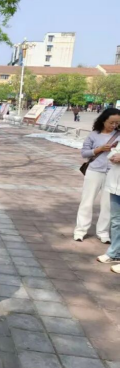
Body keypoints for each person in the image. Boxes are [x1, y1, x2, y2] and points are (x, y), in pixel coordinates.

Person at [74, 108, 120, 243]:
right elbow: (84, 153)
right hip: (94, 171)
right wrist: (99, 149)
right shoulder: (94, 135)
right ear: (103, 120)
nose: (114, 125)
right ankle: (80, 230)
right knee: (87, 202)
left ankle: (103, 232)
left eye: (117, 123)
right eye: (111, 122)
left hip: (113, 172)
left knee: (107, 205)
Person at [98, 140, 120, 271]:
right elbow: (114, 152)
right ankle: (115, 253)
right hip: (115, 185)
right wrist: (113, 155)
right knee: (116, 221)